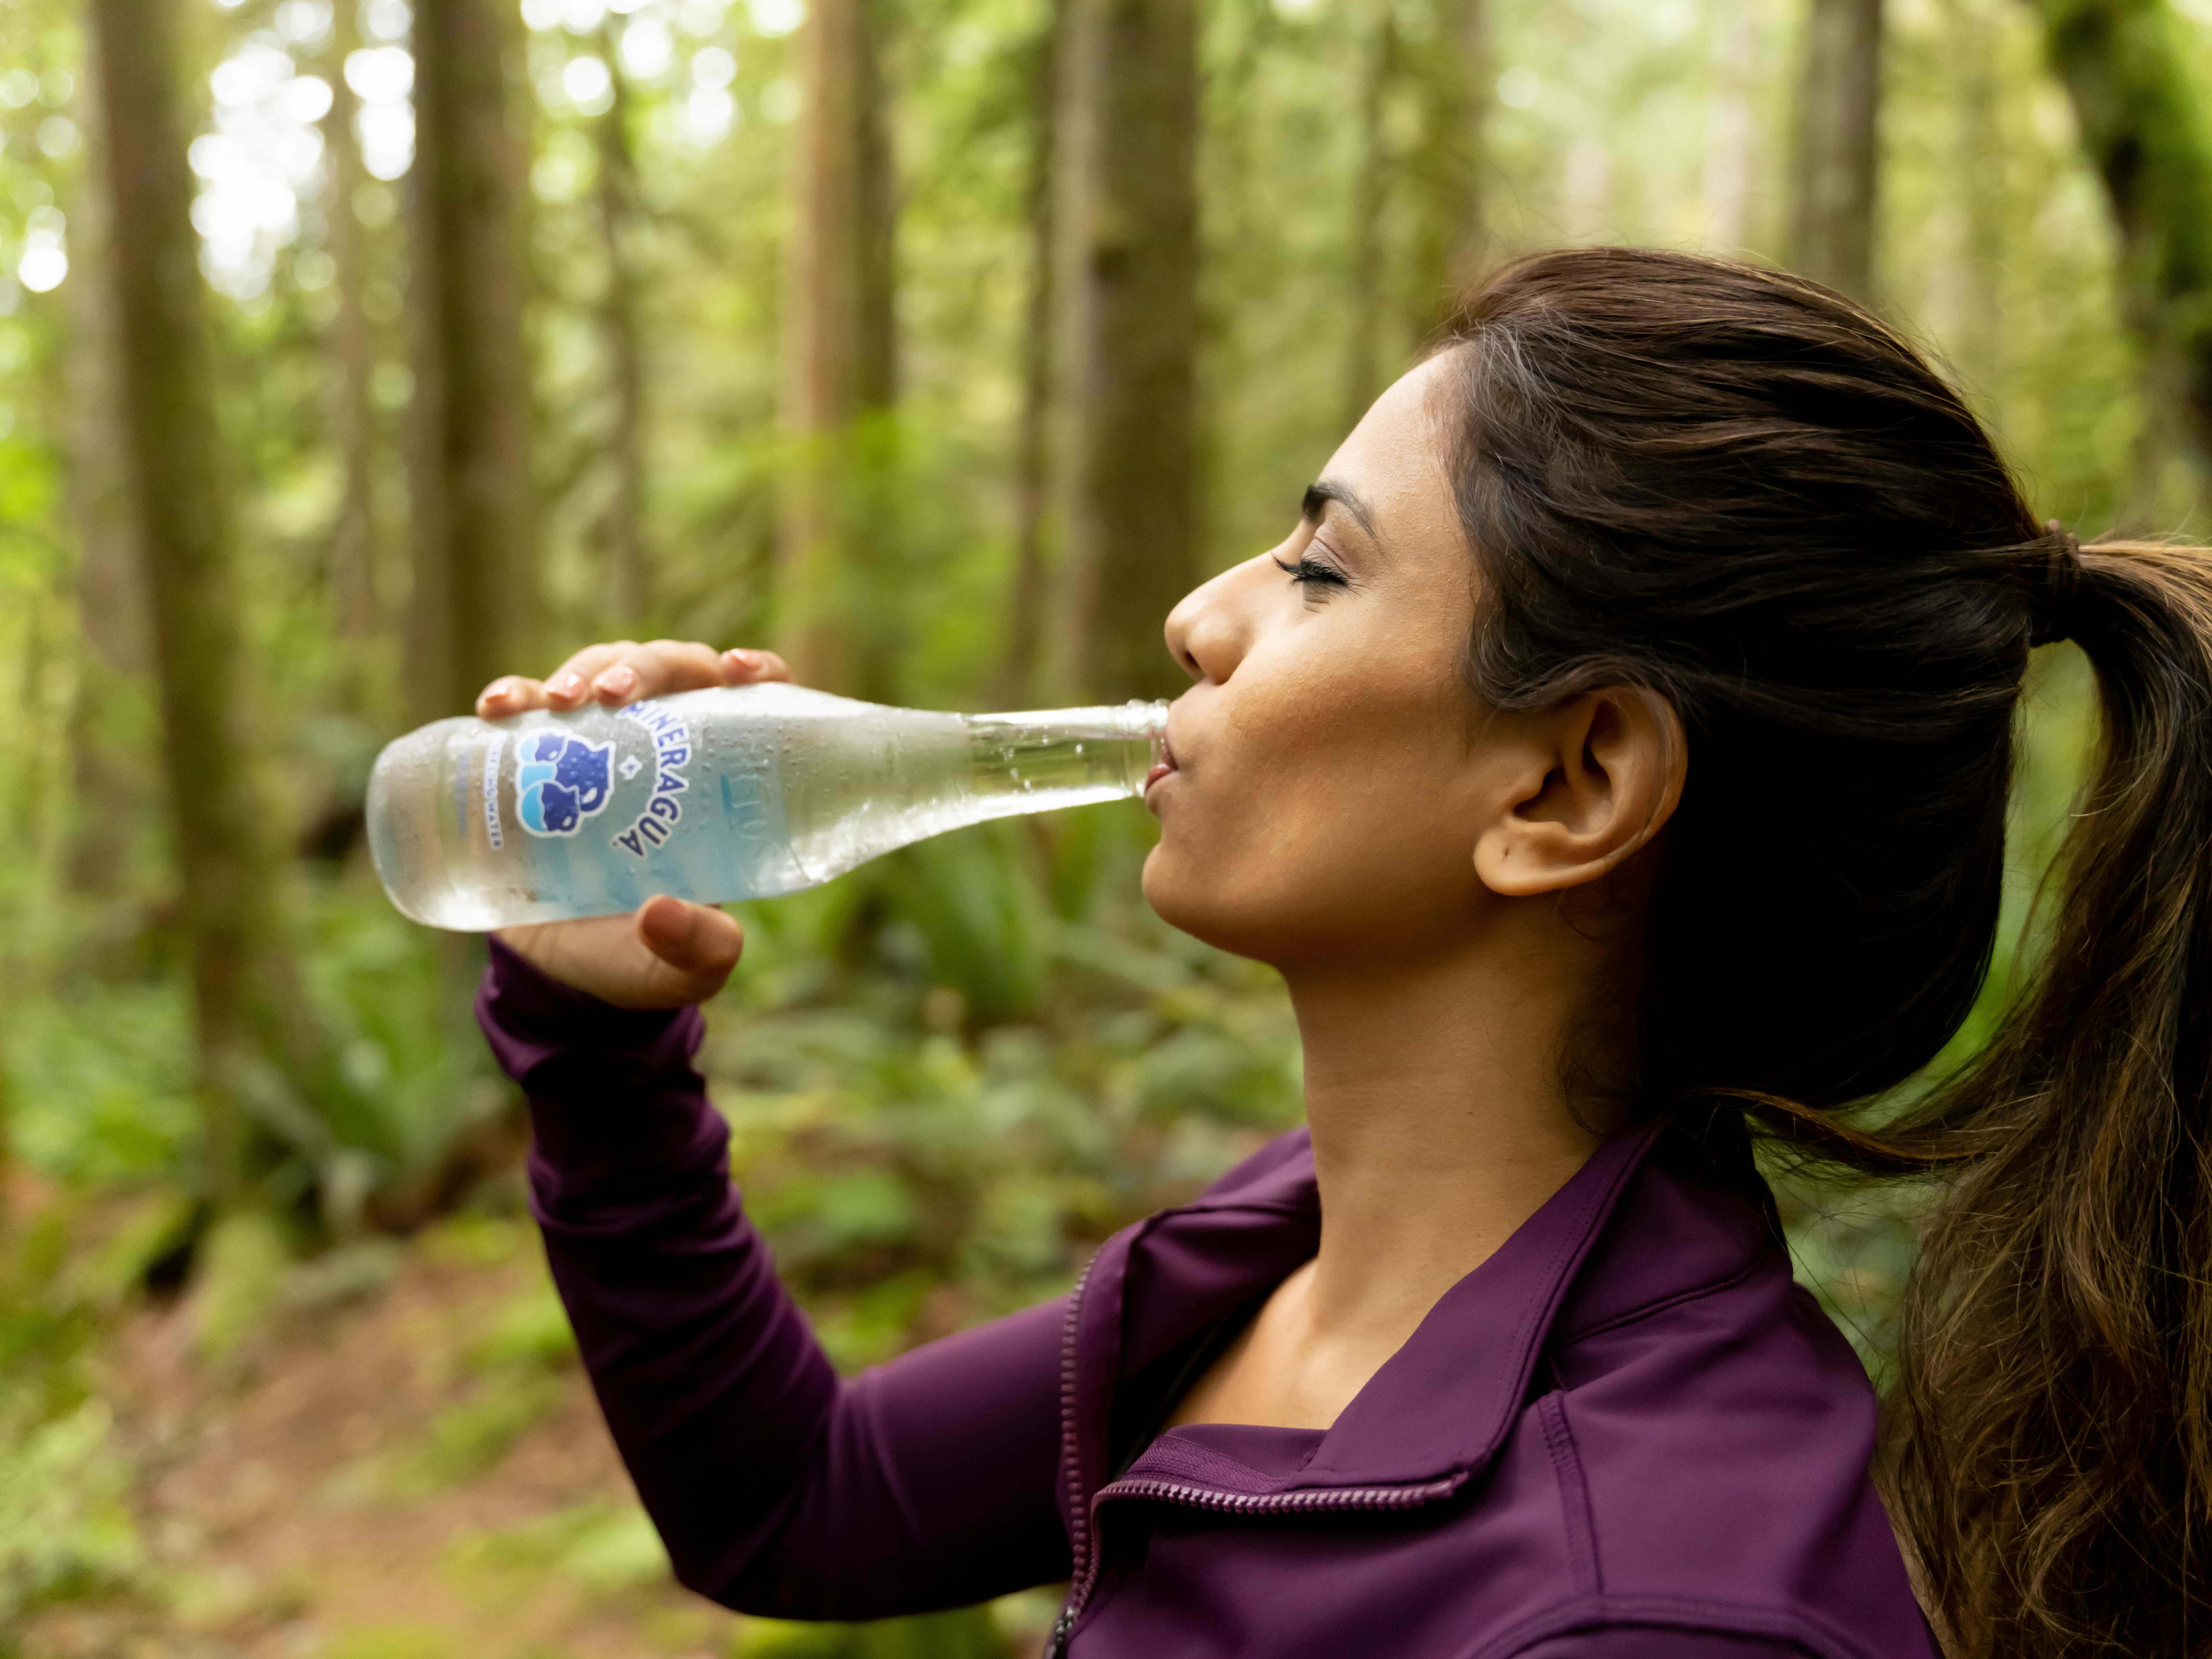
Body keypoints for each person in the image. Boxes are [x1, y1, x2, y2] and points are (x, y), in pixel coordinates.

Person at [471, 248, 2212, 1658]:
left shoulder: (1651, 1610)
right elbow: (803, 1505)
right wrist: (598, 1042)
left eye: (1319, 567)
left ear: (1571, 782)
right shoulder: (1304, 1249)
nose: (1200, 618)